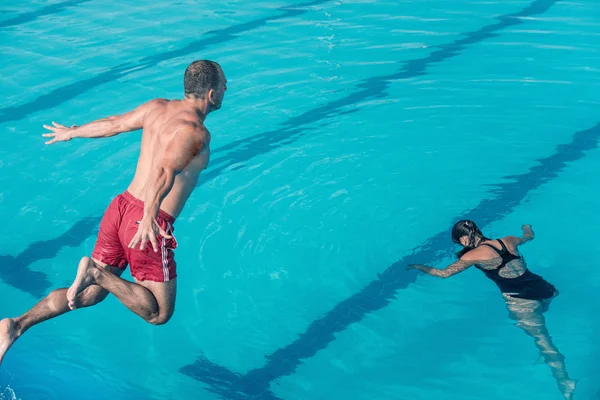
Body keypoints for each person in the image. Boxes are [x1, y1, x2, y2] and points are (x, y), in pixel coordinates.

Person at [0, 59, 227, 364]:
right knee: (158, 313)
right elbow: (165, 170)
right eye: (225, 84)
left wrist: (74, 132)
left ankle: (16, 325)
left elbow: (115, 123)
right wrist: (149, 215)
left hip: (119, 208)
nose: (228, 88)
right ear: (211, 93)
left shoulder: (157, 107)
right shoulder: (196, 132)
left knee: (90, 294)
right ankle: (93, 272)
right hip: (147, 220)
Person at [407, 220, 576, 399]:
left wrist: (418, 266)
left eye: (458, 241)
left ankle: (564, 379)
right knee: (539, 321)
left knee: (544, 341)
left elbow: (443, 274)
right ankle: (543, 344)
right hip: (544, 288)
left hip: (521, 300)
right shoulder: (508, 240)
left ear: (464, 238)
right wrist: (527, 227)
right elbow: (528, 237)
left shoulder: (472, 256)